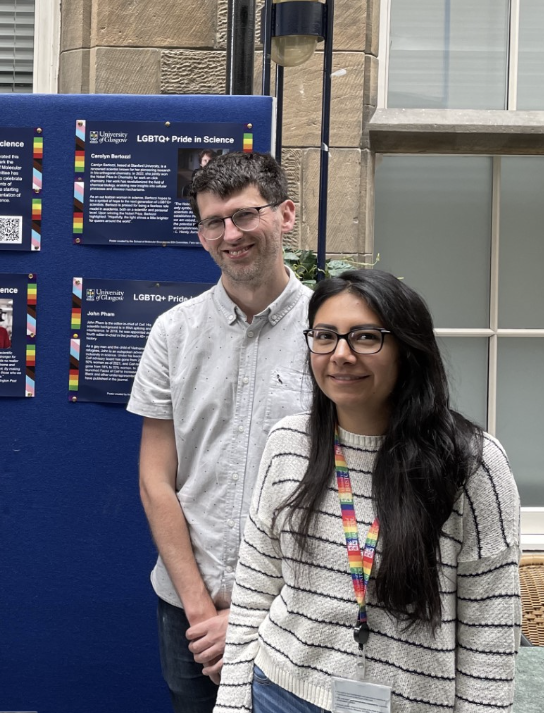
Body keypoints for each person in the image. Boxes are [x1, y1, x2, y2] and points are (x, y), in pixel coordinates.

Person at [214, 270, 522, 713]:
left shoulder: (473, 463)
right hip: (282, 692)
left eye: (364, 337)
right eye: (325, 335)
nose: (341, 354)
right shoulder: (288, 444)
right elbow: (253, 595)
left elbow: (489, 635)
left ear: (406, 349)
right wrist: (232, 705)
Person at [128, 152, 312, 713]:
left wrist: (251, 617)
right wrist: (204, 613)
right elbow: (156, 480)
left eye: (244, 215)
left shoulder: (329, 333)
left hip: (297, 612)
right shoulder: (173, 333)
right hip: (189, 608)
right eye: (214, 221)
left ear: (286, 215)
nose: (230, 234)